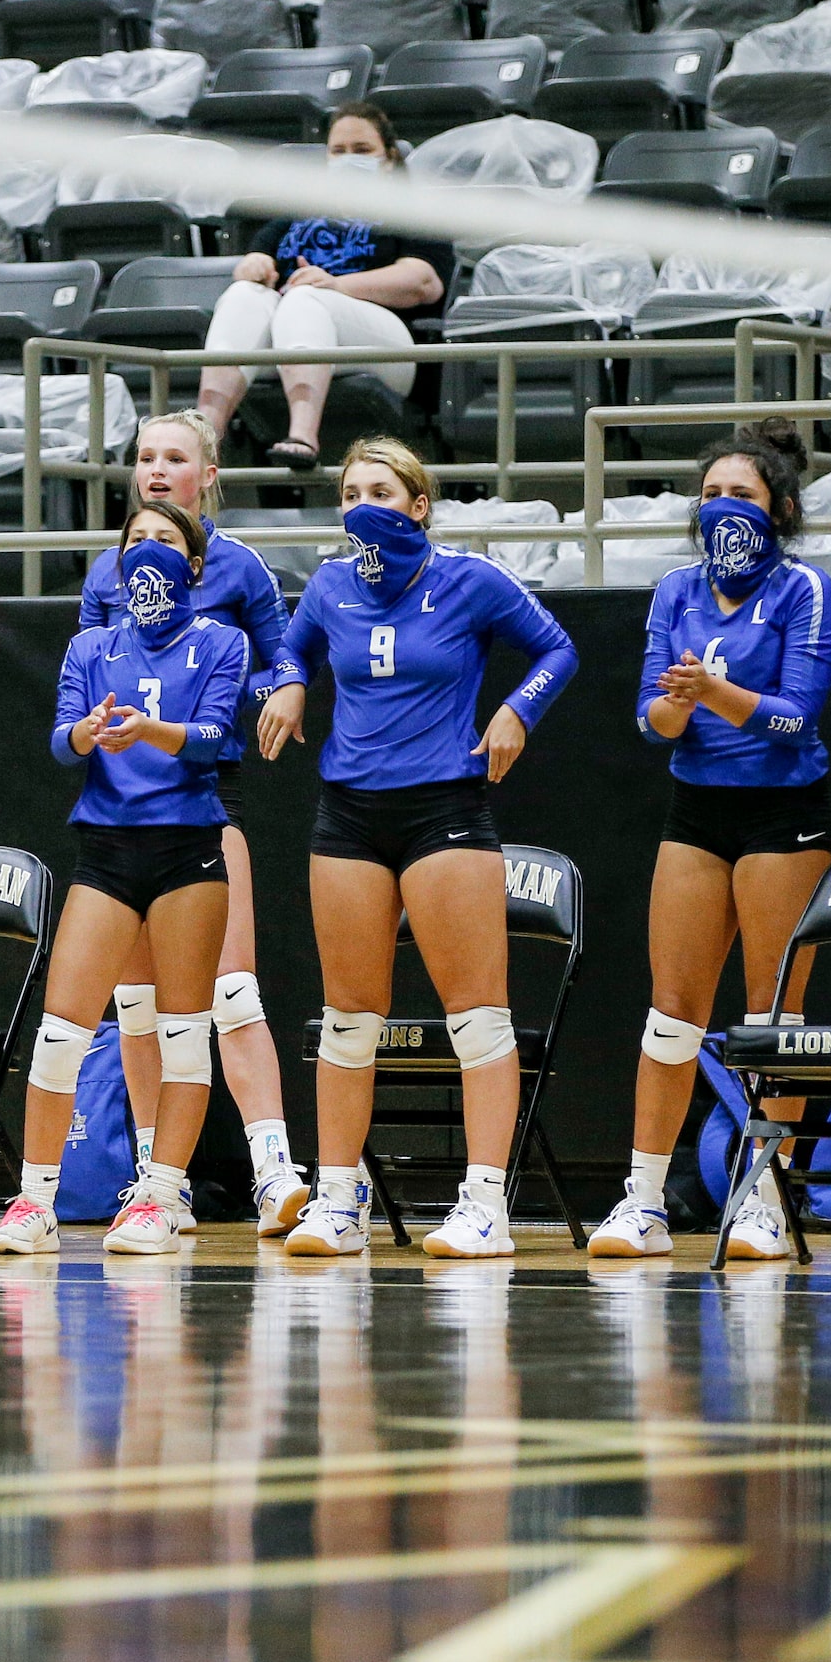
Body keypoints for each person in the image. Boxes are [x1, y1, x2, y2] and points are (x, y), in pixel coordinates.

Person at [266, 437, 577, 1258]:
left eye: (379, 489)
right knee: (347, 1018)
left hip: (443, 807)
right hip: (348, 813)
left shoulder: (467, 580)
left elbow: (557, 648)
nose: (361, 502)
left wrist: (515, 712)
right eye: (349, 490)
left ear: (417, 505)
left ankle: (484, 1205)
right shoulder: (331, 584)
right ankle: (337, 1200)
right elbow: (288, 649)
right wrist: (290, 682)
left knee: (476, 1018)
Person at [591, 422, 831, 1261]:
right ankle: (642, 1201)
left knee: (773, 1021)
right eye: (709, 496)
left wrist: (716, 689)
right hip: (695, 815)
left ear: (780, 509)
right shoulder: (675, 591)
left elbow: (793, 717)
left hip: (782, 815)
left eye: (740, 495)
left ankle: (764, 1200)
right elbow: (650, 720)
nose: (722, 509)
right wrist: (682, 701)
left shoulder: (803, 589)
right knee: (671, 1016)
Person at [0, 502, 260, 1255]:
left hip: (186, 853)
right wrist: (85, 730)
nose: (146, 553)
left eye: (164, 542)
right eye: (134, 540)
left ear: (194, 567)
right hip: (106, 853)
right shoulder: (90, 646)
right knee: (60, 1031)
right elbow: (60, 743)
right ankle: (33, 1201)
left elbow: (214, 739)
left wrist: (151, 730)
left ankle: (158, 1197)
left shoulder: (221, 642)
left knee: (181, 1034)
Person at [72, 410, 312, 1234]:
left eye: (175, 457)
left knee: (230, 988)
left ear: (208, 475)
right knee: (137, 1004)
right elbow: (86, 668)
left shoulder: (235, 567)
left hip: (206, 794)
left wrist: (281, 688)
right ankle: (154, 1179)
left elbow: (279, 656)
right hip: (120, 807)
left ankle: (274, 1170)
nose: (157, 469)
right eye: (144, 457)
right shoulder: (105, 573)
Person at [192, 105, 452, 472]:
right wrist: (254, 265)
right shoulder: (301, 211)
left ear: (390, 158)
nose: (348, 159)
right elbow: (253, 258)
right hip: (292, 340)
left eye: (362, 150)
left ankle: (302, 434)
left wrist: (337, 284)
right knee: (243, 294)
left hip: (392, 347)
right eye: (338, 151)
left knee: (307, 296)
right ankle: (204, 436)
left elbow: (423, 282)